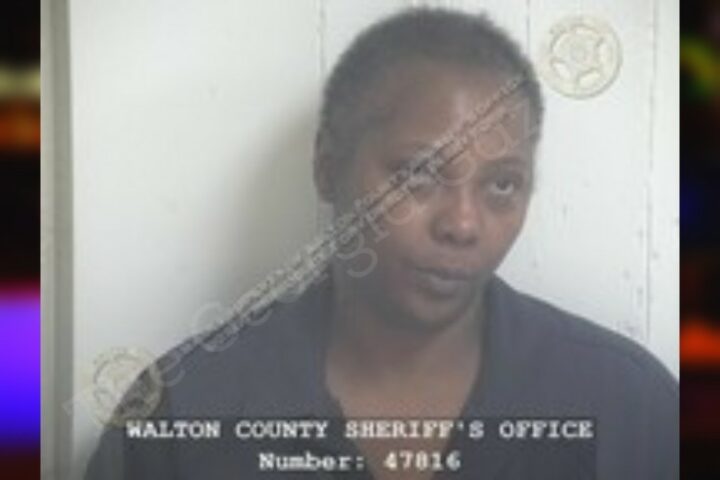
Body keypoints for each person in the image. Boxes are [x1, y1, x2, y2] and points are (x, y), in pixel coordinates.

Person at [85, 7, 678, 480]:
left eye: (502, 184)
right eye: (418, 174)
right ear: (328, 168)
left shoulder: (630, 405)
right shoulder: (184, 410)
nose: (463, 224)